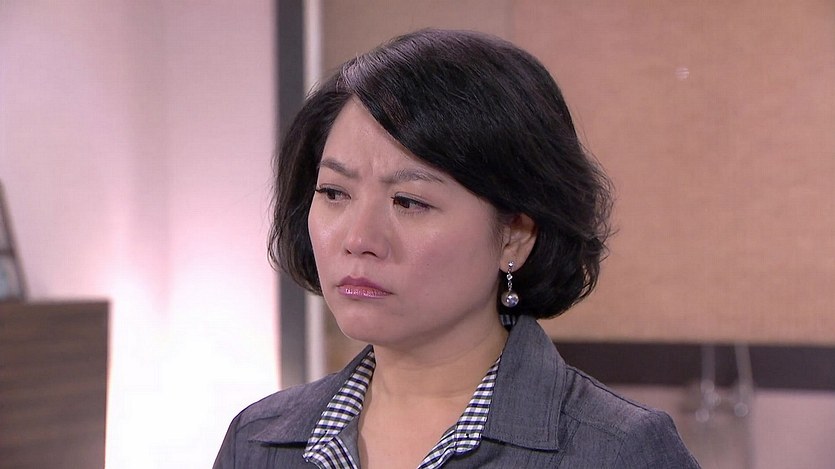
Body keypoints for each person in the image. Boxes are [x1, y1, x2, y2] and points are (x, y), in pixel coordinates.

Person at [214, 28, 699, 468]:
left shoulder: (616, 450)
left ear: (515, 234)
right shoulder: (258, 443)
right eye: (335, 193)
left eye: (409, 201)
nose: (359, 239)